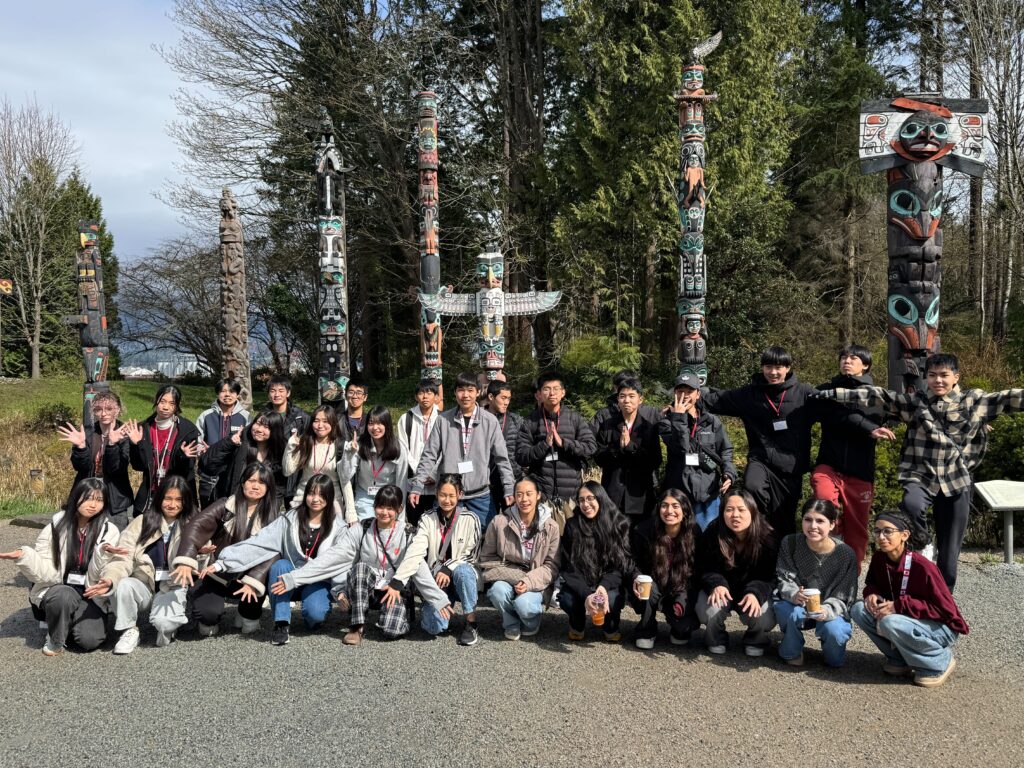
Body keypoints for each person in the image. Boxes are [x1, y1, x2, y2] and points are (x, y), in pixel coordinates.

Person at [817, 352, 1024, 590]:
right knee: (912, 504)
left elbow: (1009, 398)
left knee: (949, 554)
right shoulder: (917, 403)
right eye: (932, 375)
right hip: (920, 474)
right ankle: (924, 542)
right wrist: (833, 394)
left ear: (956, 377)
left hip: (956, 478)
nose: (938, 381)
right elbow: (879, 396)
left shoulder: (973, 402)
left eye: (944, 375)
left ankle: (942, 598)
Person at [700, 346, 868, 537]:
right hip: (761, 460)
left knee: (784, 520)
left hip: (790, 469)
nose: (773, 372)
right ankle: (758, 530)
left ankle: (782, 551)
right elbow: (719, 399)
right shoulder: (749, 394)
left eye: (778, 367)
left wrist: (868, 426)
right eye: (768, 367)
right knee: (752, 486)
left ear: (788, 368)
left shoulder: (803, 393)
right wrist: (690, 392)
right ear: (762, 368)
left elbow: (835, 411)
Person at [284, 485, 449, 645]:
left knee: (392, 631)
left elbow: (418, 567)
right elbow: (334, 558)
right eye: (380, 506)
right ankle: (356, 626)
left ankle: (396, 617)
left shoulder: (408, 534)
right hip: (365, 589)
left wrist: (439, 599)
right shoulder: (361, 528)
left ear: (399, 509)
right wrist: (294, 578)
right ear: (374, 506)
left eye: (390, 508)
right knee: (361, 569)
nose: (384, 512)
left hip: (393, 590)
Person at [202, 474, 346, 645]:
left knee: (315, 615)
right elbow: (260, 542)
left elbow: (339, 562)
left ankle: (313, 615)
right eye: (311, 493)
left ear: (330, 497)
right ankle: (281, 624)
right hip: (287, 578)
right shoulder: (289, 519)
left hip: (317, 581)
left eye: (322, 495)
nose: (315, 499)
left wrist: (340, 589)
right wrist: (223, 562)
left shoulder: (339, 527)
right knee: (279, 565)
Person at [0, 478, 119, 656]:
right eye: (88, 498)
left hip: (90, 593)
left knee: (89, 641)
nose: (93, 505)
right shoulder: (55, 528)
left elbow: (112, 569)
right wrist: (25, 556)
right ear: (75, 497)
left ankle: (65, 622)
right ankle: (55, 637)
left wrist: (104, 554)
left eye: (99, 500)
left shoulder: (110, 531)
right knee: (63, 595)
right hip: (59, 587)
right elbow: (45, 571)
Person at [850, 511, 968, 687]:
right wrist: (872, 594)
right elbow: (872, 583)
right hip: (904, 619)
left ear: (904, 535)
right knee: (859, 609)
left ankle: (939, 661)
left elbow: (946, 611)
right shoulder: (879, 559)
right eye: (877, 531)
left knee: (890, 622)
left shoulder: (923, 567)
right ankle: (899, 658)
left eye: (887, 531)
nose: (881, 537)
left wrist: (900, 606)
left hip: (940, 627)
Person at [170, 463, 281, 636]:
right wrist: (186, 558)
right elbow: (196, 526)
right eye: (251, 480)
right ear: (242, 482)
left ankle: (247, 612)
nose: (255, 486)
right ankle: (205, 612)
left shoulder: (273, 517)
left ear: (268, 488)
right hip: (214, 575)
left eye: (261, 482)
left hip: (246, 578)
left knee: (253, 608)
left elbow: (272, 553)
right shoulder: (225, 506)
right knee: (207, 617)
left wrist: (255, 579)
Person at [810, 344, 894, 570]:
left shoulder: (878, 396)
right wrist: (868, 427)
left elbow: (901, 414)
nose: (846, 361)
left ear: (865, 365)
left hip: (860, 470)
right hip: (829, 464)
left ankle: (851, 573)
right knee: (823, 499)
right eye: (843, 357)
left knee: (857, 527)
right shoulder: (827, 391)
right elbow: (837, 415)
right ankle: (831, 536)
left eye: (853, 358)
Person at [98, 475, 198, 654]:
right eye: (168, 498)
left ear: (186, 501)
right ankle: (129, 630)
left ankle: (169, 625)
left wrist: (201, 555)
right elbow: (123, 557)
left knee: (164, 625)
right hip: (144, 584)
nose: (172, 504)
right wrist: (111, 578)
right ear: (159, 498)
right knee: (122, 584)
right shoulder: (141, 522)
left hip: (173, 586)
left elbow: (202, 561)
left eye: (178, 500)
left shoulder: (193, 524)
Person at [409, 372, 515, 531]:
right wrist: (417, 485)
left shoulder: (489, 421)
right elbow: (429, 455)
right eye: (461, 390)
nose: (465, 395)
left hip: (480, 496)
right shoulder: (443, 420)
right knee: (443, 537)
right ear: (455, 392)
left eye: (470, 390)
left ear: (478, 392)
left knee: (486, 536)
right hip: (448, 495)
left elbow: (502, 459)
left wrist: (509, 488)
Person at [390, 474, 482, 645]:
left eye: (452, 495)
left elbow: (472, 556)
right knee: (433, 626)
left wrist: (448, 567)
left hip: (462, 576)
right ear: (436, 494)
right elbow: (416, 551)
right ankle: (444, 608)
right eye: (443, 495)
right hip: (437, 580)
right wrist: (398, 580)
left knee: (463, 571)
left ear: (460, 494)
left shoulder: (471, 519)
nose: (447, 500)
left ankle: (471, 622)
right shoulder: (427, 518)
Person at [774, 499, 858, 667]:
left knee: (834, 653)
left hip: (829, 609)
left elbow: (845, 595)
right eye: (808, 519)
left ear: (832, 524)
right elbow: (784, 577)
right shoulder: (790, 543)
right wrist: (794, 594)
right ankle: (791, 649)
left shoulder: (845, 554)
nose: (813, 526)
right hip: (798, 604)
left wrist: (826, 611)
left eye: (820, 521)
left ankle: (831, 650)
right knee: (785, 609)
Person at [696, 490, 778, 656]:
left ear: (752, 511)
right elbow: (704, 567)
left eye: (741, 510)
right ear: (722, 512)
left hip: (751, 591)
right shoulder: (713, 532)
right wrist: (716, 584)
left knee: (764, 616)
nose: (735, 515)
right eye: (729, 510)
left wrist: (755, 593)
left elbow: (769, 576)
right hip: (723, 591)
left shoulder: (767, 537)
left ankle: (755, 639)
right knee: (708, 610)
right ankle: (715, 638)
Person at [480, 475, 561, 640]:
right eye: (519, 494)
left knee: (524, 604)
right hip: (506, 575)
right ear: (514, 497)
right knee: (497, 591)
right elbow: (487, 559)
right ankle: (511, 622)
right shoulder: (499, 522)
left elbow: (552, 566)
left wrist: (528, 581)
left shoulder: (551, 526)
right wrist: (517, 576)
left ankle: (531, 622)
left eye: (529, 494)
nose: (524, 499)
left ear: (538, 495)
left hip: (537, 579)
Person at [516, 372, 597, 523]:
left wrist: (564, 443)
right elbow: (521, 456)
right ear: (539, 394)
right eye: (547, 389)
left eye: (556, 389)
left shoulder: (574, 419)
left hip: (571, 495)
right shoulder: (531, 421)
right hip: (542, 495)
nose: (552, 393)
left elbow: (590, 447)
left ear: (563, 392)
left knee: (571, 534)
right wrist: (544, 445)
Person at [659, 373, 736, 531]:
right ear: (675, 393)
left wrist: (729, 472)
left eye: (689, 391)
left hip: (708, 492)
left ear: (698, 394)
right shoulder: (666, 421)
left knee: (709, 536)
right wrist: (679, 417)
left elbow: (725, 449)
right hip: (679, 494)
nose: (685, 395)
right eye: (680, 391)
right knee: (681, 538)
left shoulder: (711, 421)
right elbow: (681, 449)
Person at [558, 482, 632, 642]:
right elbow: (569, 566)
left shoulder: (618, 523)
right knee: (567, 599)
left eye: (590, 498)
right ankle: (577, 624)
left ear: (600, 497)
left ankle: (611, 625)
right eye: (581, 500)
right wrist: (586, 594)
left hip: (607, 584)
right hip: (582, 582)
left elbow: (620, 566)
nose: (586, 504)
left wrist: (603, 586)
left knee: (612, 599)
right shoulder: (572, 525)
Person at [627, 489, 700, 649]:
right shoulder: (644, 530)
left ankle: (676, 625)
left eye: (675, 506)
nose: (669, 511)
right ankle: (646, 629)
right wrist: (637, 577)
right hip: (652, 584)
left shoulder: (694, 532)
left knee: (683, 629)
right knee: (648, 589)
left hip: (680, 586)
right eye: (664, 506)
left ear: (685, 510)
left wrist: (684, 598)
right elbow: (633, 562)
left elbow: (697, 571)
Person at [57, 391, 134, 530]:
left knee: (113, 536)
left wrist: (112, 445)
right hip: (87, 492)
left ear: (118, 409)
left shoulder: (125, 433)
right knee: (82, 535)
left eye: (109, 409)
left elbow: (116, 469)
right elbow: (81, 467)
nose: (103, 413)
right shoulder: (87, 433)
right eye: (98, 409)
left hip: (114, 497)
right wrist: (81, 447)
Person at [593, 377, 661, 526]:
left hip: (639, 496)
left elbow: (655, 461)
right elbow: (598, 457)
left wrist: (631, 447)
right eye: (622, 396)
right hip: (612, 494)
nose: (627, 401)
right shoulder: (607, 425)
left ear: (640, 399)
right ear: (617, 399)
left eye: (631, 396)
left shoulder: (649, 427)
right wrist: (617, 448)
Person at [126, 385, 202, 517]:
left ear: (177, 406)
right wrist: (136, 445)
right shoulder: (144, 428)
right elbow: (138, 466)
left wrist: (183, 456)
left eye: (172, 403)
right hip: (151, 494)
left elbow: (188, 470)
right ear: (156, 401)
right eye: (162, 401)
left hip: (176, 496)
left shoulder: (188, 430)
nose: (166, 407)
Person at [283, 404, 355, 523]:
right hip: (304, 498)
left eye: (325, 421)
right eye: (316, 421)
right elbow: (287, 471)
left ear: (333, 423)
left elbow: (345, 481)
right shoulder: (304, 442)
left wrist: (351, 513)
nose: (320, 425)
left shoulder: (341, 446)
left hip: (332, 500)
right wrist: (290, 447)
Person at [200, 409, 288, 504]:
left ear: (275, 431)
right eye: (258, 424)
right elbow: (207, 464)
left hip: (261, 506)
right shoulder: (238, 440)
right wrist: (229, 443)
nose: (259, 429)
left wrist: (272, 506)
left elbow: (279, 486)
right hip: (229, 502)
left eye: (266, 427)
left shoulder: (280, 452)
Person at [341, 405, 410, 522]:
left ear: (387, 424)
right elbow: (344, 475)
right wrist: (349, 453)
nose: (375, 428)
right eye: (371, 423)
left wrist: (400, 518)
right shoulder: (360, 444)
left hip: (388, 497)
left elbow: (401, 484)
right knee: (366, 526)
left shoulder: (399, 448)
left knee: (385, 528)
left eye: (379, 423)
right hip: (364, 495)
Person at [196, 378, 251, 506]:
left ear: (237, 394)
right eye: (223, 391)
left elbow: (249, 443)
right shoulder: (206, 415)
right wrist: (201, 450)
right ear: (217, 393)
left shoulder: (246, 417)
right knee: (207, 512)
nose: (227, 395)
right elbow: (197, 440)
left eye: (231, 391)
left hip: (234, 475)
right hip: (209, 475)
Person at [396, 379, 441, 525]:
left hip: (436, 484)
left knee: (437, 525)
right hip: (413, 483)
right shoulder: (406, 419)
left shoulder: (444, 419)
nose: (425, 396)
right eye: (421, 393)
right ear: (416, 396)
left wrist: (433, 473)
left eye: (429, 393)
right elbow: (403, 448)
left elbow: (446, 449)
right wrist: (420, 473)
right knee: (415, 524)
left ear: (436, 396)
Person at [264, 374, 309, 505]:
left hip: (294, 471)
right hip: (272, 470)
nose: (277, 394)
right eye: (273, 391)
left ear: (288, 393)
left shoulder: (300, 417)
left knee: (294, 511)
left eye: (281, 391)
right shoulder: (263, 416)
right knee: (270, 510)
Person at [485, 379, 524, 512]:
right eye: (503, 398)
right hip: (487, 483)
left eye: (508, 398)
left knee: (513, 520)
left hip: (512, 480)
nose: (506, 402)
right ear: (491, 397)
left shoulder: (516, 421)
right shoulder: (478, 420)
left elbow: (523, 449)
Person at [590, 369, 662, 434]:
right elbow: (589, 438)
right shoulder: (603, 415)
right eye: (623, 386)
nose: (627, 400)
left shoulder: (651, 413)